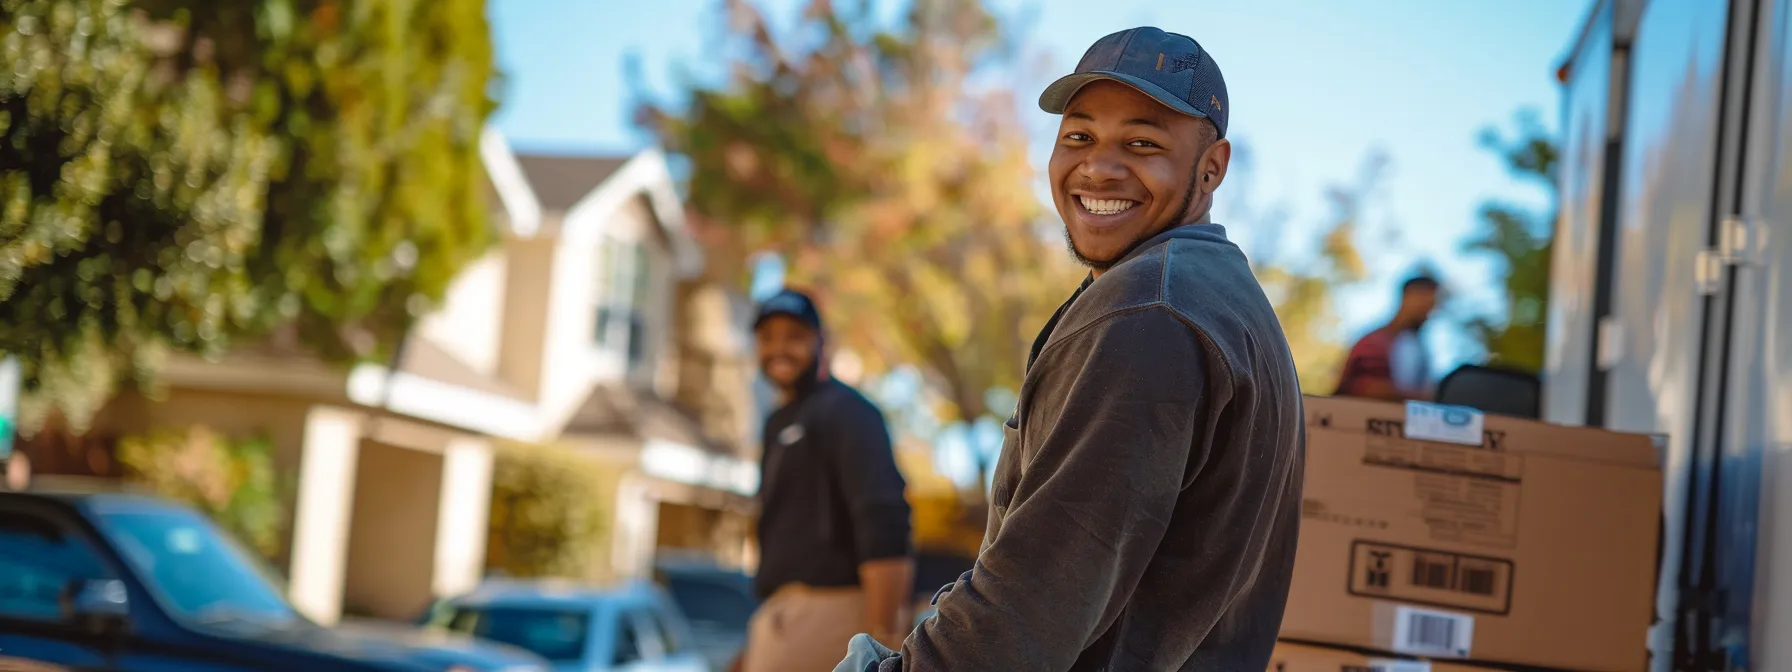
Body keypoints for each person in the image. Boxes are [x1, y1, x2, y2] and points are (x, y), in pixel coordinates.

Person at [841, 26, 1305, 672]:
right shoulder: (1221, 298)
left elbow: (1032, 598)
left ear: (1212, 166)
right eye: (1078, 137)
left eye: (1143, 143)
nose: (1100, 167)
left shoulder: (1151, 311)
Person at [735, 288, 915, 672]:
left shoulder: (848, 412)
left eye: (794, 337)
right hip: (780, 617)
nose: (779, 349)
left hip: (835, 613)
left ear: (822, 343)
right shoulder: (776, 422)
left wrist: (883, 638)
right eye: (767, 338)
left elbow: (883, 522)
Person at [1335, 275, 1441, 402]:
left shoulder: (1419, 349)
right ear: (1409, 297)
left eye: (1431, 307)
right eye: (1425, 305)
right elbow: (1363, 388)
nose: (1428, 314)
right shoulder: (1374, 342)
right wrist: (1423, 396)